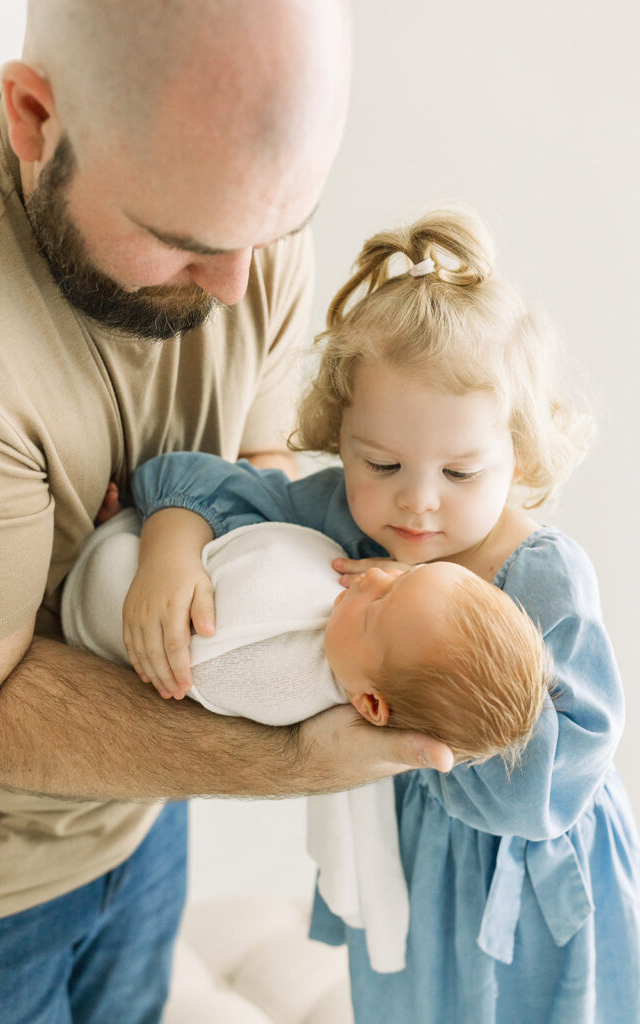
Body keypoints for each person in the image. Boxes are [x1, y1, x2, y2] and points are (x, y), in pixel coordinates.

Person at [0, 3, 453, 1022]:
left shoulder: (242, 227)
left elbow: (256, 474)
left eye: (276, 229)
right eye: (181, 242)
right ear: (35, 117)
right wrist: (285, 759)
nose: (236, 287)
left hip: (141, 826)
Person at [99, 206, 640, 1020]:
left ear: (518, 456)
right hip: (407, 855)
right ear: (338, 437)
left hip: (529, 874)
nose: (416, 503)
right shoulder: (351, 520)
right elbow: (208, 481)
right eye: (380, 461)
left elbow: (564, 768)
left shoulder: (542, 578)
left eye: (460, 472)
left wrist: (405, 734)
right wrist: (171, 547)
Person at [62, 484, 549, 972]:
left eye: (382, 603)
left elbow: (192, 656)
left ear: (372, 704)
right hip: (144, 548)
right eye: (404, 577)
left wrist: (133, 535)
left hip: (99, 600)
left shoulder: (282, 676)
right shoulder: (362, 647)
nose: (377, 574)